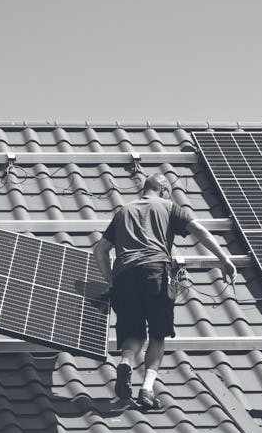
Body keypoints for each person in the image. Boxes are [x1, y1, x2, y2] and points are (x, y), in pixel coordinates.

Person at [94, 173, 236, 410]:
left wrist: (111, 281)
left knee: (133, 333)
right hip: (155, 271)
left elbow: (100, 251)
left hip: (124, 275)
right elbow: (199, 230)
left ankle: (126, 362)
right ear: (163, 190)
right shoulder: (169, 207)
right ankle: (147, 389)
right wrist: (223, 259)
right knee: (157, 334)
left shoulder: (123, 211)